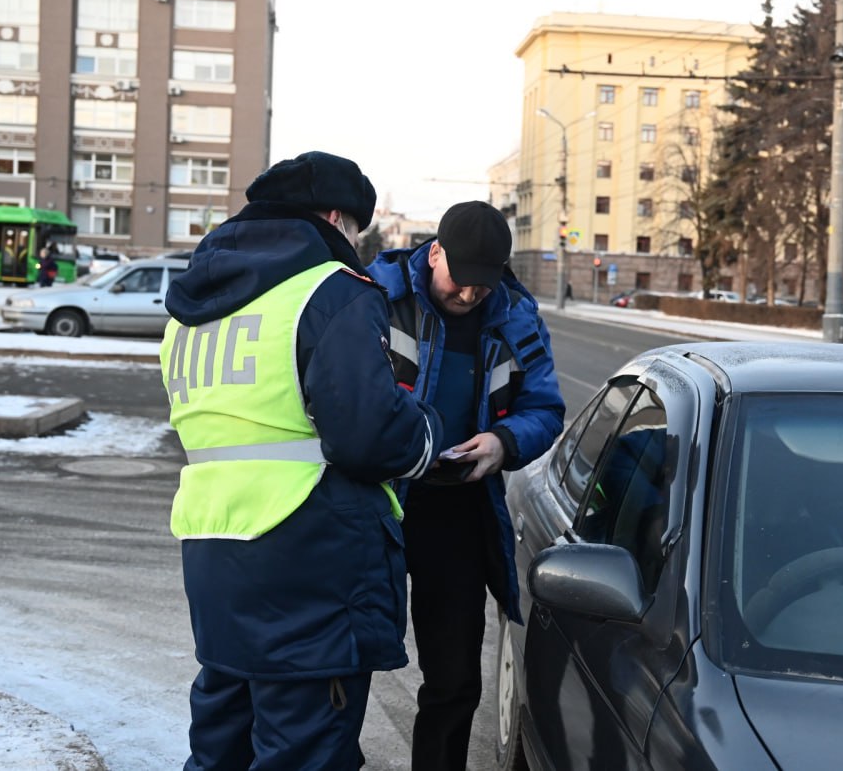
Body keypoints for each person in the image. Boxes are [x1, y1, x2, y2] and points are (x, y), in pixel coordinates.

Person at [159, 151, 443, 770]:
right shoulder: (330, 290)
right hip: (311, 562)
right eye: (357, 233)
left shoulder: (190, 309)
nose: (357, 248)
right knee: (307, 751)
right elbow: (369, 436)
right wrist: (425, 431)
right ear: (337, 218)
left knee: (221, 746)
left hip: (214, 552)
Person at [368, 200, 565, 771]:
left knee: (454, 679)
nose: (471, 293)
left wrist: (503, 442)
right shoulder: (376, 297)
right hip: (374, 503)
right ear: (435, 253)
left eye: (485, 282)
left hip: (458, 510)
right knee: (344, 664)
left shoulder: (517, 319)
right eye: (461, 278)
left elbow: (544, 408)